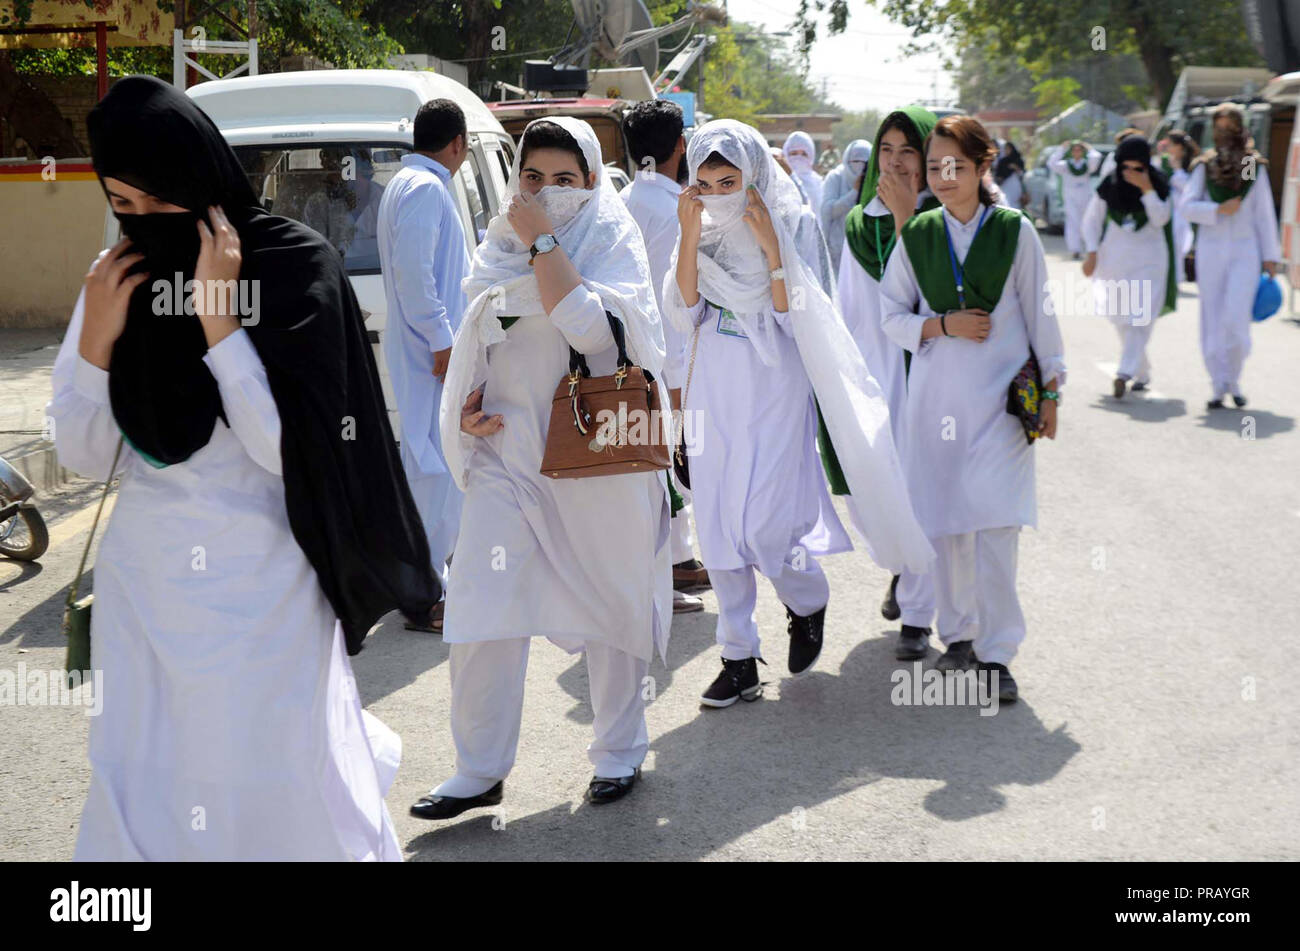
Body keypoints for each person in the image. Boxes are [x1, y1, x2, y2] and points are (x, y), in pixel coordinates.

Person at [49, 75, 438, 860]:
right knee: (151, 774)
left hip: (270, 589)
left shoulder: (295, 269)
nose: (144, 224)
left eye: (161, 201)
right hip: (147, 592)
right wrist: (95, 342)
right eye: (123, 205)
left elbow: (288, 449)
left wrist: (219, 325)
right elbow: (88, 455)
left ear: (200, 179)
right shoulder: (116, 277)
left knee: (277, 773)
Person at [410, 117, 673, 818]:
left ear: (591, 182)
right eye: (534, 179)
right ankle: (478, 769)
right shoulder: (500, 245)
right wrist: (466, 406)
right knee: (479, 605)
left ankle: (619, 751)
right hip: (509, 455)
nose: (547, 193)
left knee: (612, 604)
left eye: (565, 181)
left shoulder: (611, 244)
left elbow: (594, 332)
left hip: (598, 460)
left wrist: (546, 243)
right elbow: (480, 336)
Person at [663, 119, 934, 708]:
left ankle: (807, 600)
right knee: (718, 524)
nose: (716, 192)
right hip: (713, 380)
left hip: (775, 383)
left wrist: (771, 249)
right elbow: (683, 314)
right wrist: (687, 236)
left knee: (764, 525)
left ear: (754, 174)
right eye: (704, 181)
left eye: (727, 180)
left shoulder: (794, 221)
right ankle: (737, 657)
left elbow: (799, 318)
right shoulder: (697, 227)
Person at [880, 115, 1066, 703]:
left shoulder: (1015, 232)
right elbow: (890, 316)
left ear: (983, 166)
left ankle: (997, 652)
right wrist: (941, 324)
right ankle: (955, 632)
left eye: (955, 165)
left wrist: (1054, 391)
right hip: (935, 406)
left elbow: (1042, 315)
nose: (943, 175)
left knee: (996, 523)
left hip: (1004, 407)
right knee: (945, 523)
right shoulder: (920, 235)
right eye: (935, 167)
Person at [840, 106, 942, 661]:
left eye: (909, 151)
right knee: (874, 493)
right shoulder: (859, 226)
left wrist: (910, 220)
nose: (897, 162)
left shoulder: (948, 220)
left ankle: (919, 618)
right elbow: (849, 309)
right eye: (887, 150)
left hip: (932, 375)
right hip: (877, 377)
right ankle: (904, 569)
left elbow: (936, 299)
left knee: (922, 492)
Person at [377, 99, 471, 632]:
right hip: (428, 355)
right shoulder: (426, 188)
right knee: (433, 473)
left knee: (434, 468)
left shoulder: (410, 182)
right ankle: (426, 597)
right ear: (456, 142)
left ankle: (429, 585)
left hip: (426, 353)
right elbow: (415, 275)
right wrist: (441, 339)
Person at [619, 98, 708, 612]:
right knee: (666, 470)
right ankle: (656, 582)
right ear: (679, 146)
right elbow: (680, 294)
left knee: (651, 468)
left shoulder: (626, 199)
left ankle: (675, 561)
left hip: (629, 358)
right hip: (668, 361)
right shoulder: (676, 210)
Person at [1180, 104, 1281, 409]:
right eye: (1219, 128)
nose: (1225, 134)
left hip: (1245, 251)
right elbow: (1186, 207)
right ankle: (1216, 384)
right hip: (1211, 250)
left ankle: (1234, 379)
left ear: (1240, 128)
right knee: (1212, 317)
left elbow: (1263, 213)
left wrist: (1270, 256)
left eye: (1230, 128)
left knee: (1236, 319)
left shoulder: (1251, 165)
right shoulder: (1205, 165)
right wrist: (1216, 210)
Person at [1081, 135, 1175, 398]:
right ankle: (1141, 372)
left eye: (1138, 168)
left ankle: (1123, 372)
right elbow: (1091, 222)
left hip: (1150, 261)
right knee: (1122, 320)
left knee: (1139, 318)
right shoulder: (1109, 185)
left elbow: (1160, 219)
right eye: (1126, 168)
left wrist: (1147, 189)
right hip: (1114, 261)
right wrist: (1091, 253)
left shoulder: (1158, 184)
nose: (1131, 174)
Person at [819, 138, 872, 277]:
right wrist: (854, 193)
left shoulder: (874, 179)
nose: (860, 166)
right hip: (837, 251)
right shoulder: (835, 177)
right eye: (855, 161)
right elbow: (827, 211)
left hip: (867, 251)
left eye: (865, 163)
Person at [1050, 140, 1102, 258]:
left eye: (1079, 150)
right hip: (1070, 197)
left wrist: (1088, 147)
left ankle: (1090, 248)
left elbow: (1096, 157)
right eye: (1075, 150)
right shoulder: (1066, 165)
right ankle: (1075, 249)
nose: (1077, 152)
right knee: (1073, 222)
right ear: (1072, 152)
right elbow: (1052, 163)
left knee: (1087, 221)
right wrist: (1062, 149)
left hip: (1085, 196)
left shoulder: (1087, 164)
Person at [1164, 130, 1200, 281]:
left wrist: (1178, 171)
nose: (1168, 149)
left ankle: (1176, 279)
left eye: (1171, 145)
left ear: (1180, 147)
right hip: (1168, 211)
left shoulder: (1193, 165)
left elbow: (1190, 189)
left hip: (1181, 214)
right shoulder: (1166, 163)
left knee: (1178, 247)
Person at [782, 130, 824, 210]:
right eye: (794, 153)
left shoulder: (819, 183)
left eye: (804, 154)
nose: (799, 158)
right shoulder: (779, 180)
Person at [994, 140, 1026, 209]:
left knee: (1016, 204)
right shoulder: (1002, 161)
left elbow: (1022, 173)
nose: (1006, 151)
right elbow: (999, 174)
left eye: (1008, 149)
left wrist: (1015, 167)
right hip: (1005, 185)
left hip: (1016, 186)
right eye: (1005, 149)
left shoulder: (1018, 160)